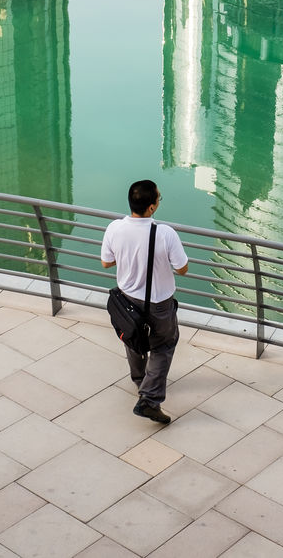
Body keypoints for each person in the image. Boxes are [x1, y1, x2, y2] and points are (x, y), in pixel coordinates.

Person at [101, 179, 189, 424]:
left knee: (133, 337)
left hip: (127, 299)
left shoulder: (114, 228)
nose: (159, 202)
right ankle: (149, 400)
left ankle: (141, 380)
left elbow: (106, 262)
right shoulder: (165, 233)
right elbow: (182, 269)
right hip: (159, 303)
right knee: (164, 344)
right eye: (159, 199)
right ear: (151, 207)